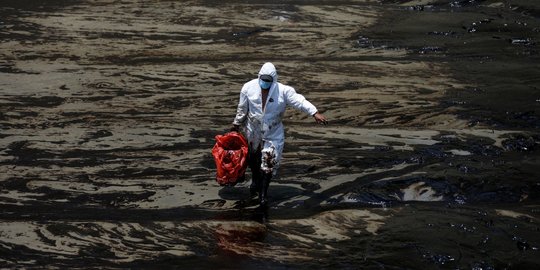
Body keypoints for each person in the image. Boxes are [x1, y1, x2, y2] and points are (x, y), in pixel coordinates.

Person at [231, 62, 327, 208]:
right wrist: (236, 124)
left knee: (269, 163)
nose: (265, 83)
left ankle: (263, 194)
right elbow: (242, 108)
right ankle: (256, 180)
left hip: (273, 132)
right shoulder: (248, 87)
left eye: (268, 81)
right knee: (253, 159)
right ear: (259, 77)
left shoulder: (283, 91)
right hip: (253, 130)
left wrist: (314, 112)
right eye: (263, 80)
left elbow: (299, 101)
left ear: (274, 80)